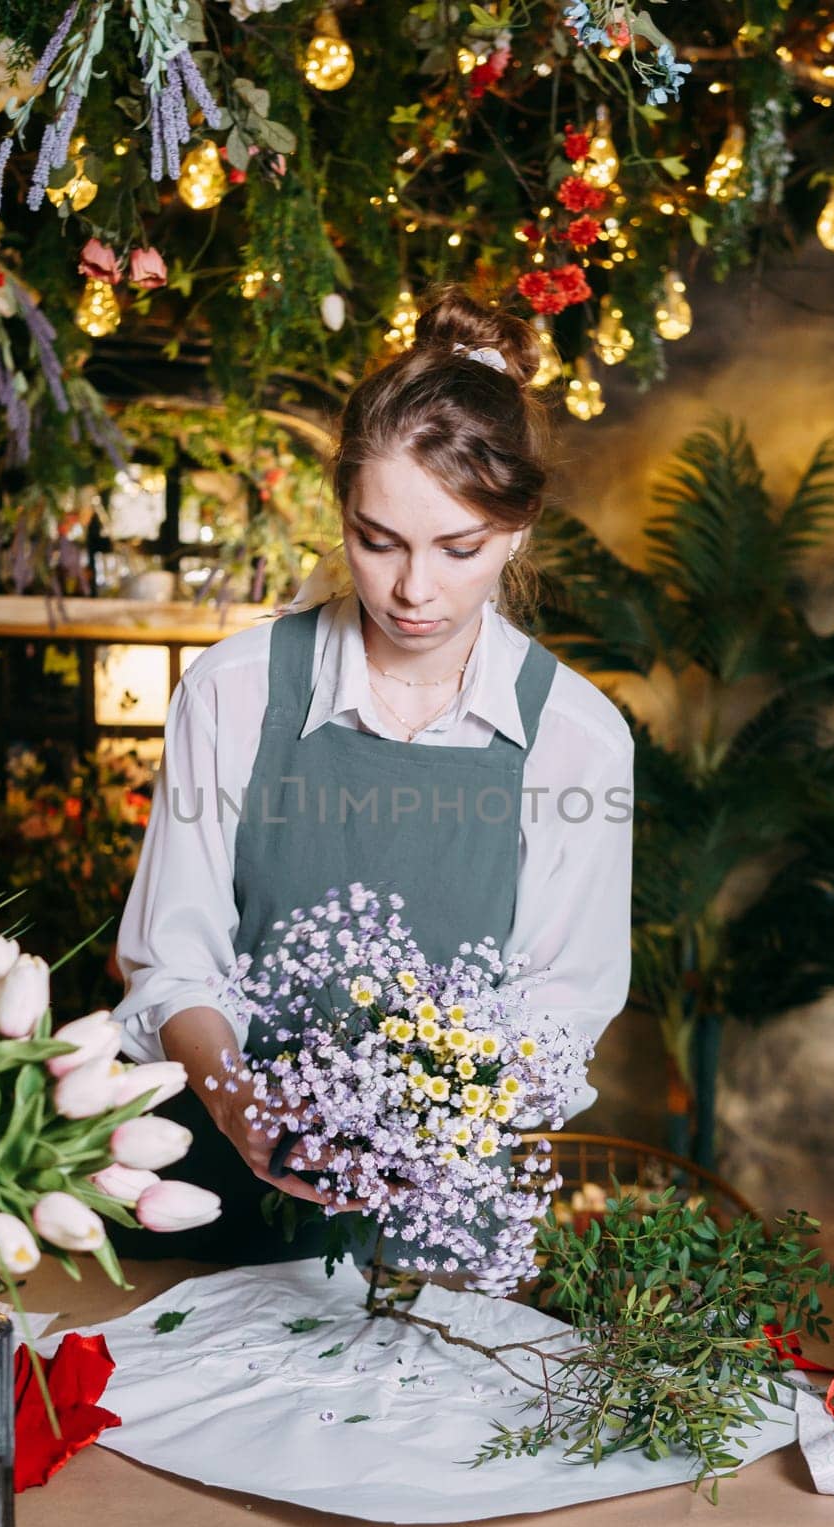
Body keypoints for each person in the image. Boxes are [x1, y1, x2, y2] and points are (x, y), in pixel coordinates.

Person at [111, 284, 634, 1264]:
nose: (412, 589)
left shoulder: (577, 740)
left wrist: (413, 1121)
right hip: (212, 1206)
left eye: (458, 547)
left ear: (517, 528)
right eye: (377, 538)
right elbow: (169, 957)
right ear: (340, 509)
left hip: (443, 1236)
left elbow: (560, 1014)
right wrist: (241, 1104)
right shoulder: (232, 692)